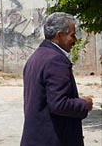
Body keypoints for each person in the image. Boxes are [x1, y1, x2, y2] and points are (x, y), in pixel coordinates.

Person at [21, 12, 93, 146]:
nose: (75, 40)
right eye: (72, 35)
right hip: (52, 139)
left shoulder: (36, 57)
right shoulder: (55, 60)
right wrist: (84, 104)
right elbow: (59, 104)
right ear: (59, 35)